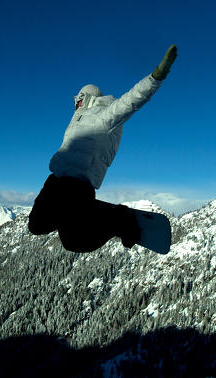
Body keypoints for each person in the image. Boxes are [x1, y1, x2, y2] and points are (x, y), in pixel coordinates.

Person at [28, 45, 177, 253]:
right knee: (36, 226)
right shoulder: (77, 120)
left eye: (79, 99)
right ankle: (88, 214)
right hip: (55, 181)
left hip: (77, 187)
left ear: (87, 98)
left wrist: (155, 77)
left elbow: (130, 102)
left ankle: (119, 218)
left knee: (74, 242)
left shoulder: (104, 117)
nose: (76, 104)